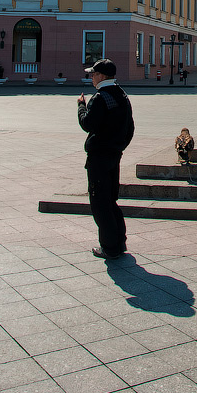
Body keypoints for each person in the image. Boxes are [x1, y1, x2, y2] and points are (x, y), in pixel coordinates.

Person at [77, 58, 134, 260]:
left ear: (101, 76)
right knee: (111, 200)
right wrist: (119, 147)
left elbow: (88, 124)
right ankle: (119, 242)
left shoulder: (100, 97)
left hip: (99, 157)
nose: (91, 77)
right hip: (114, 156)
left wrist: (81, 107)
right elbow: (130, 128)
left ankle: (109, 247)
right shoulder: (122, 95)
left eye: (93, 74)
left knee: (100, 203)